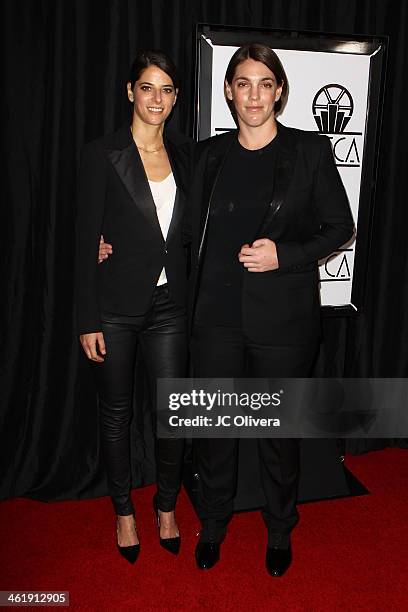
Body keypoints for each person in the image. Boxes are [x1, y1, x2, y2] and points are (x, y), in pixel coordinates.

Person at [187, 43, 354, 576]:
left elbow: (340, 228)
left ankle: (280, 528)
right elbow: (178, 226)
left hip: (282, 324)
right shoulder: (208, 155)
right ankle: (213, 521)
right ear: (229, 91)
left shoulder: (308, 151)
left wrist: (285, 256)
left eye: (264, 82)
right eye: (243, 82)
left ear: (279, 90)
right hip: (214, 317)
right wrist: (115, 243)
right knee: (215, 431)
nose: (253, 94)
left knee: (278, 436)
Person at [76, 50, 192, 564]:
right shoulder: (101, 154)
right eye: (148, 87)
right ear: (130, 91)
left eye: (167, 90)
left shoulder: (188, 157)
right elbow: (82, 243)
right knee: (116, 415)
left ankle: (166, 507)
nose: (158, 99)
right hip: (116, 308)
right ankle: (124, 511)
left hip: (171, 306)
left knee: (171, 414)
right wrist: (87, 319)